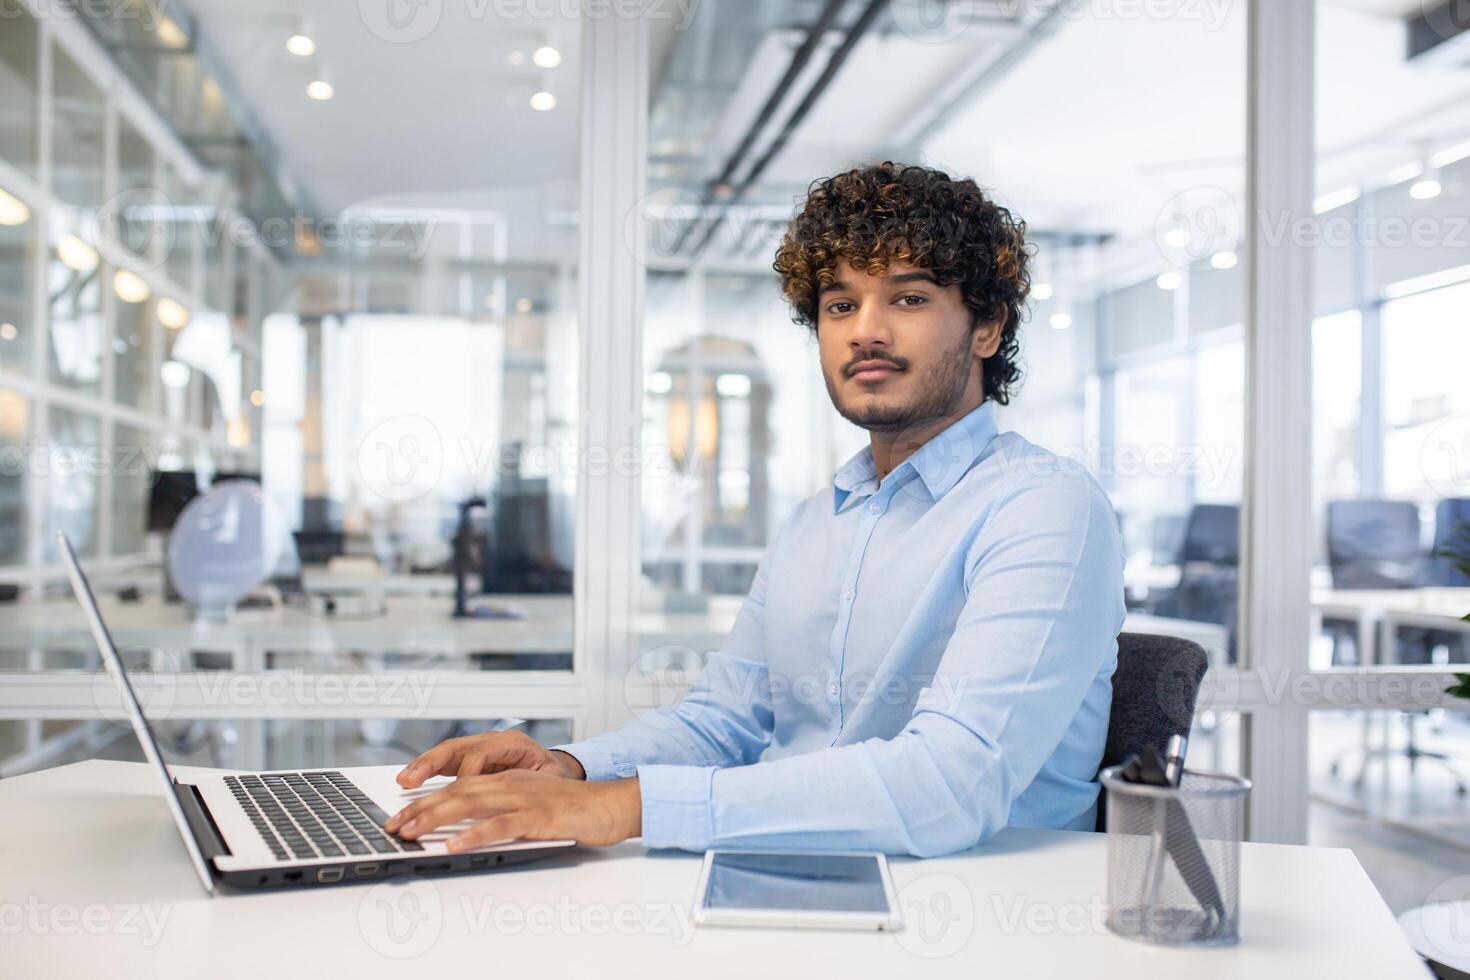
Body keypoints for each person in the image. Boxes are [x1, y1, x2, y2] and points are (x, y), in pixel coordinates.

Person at [385, 162, 1126, 857]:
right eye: (840, 304)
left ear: (988, 327)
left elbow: (951, 784)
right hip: (792, 869)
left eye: (908, 297)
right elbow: (726, 722)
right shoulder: (820, 520)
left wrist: (624, 806)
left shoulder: (1045, 507)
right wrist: (571, 768)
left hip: (980, 905)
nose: (865, 328)